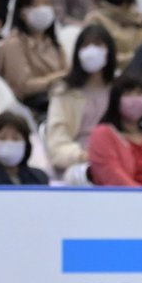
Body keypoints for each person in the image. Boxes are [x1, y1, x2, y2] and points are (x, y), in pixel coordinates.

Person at [45, 22, 116, 177]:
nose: (91, 50)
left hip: (117, 159)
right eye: (86, 45)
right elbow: (57, 144)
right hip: (80, 163)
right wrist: (83, 155)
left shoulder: (120, 90)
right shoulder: (63, 93)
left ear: (109, 50)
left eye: (97, 44)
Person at [0, 0, 68, 114]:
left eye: (47, 3)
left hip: (58, 101)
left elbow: (68, 74)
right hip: (30, 109)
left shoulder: (54, 43)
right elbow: (23, 87)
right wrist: (57, 78)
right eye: (35, 4)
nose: (43, 9)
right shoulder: (14, 44)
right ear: (22, 12)